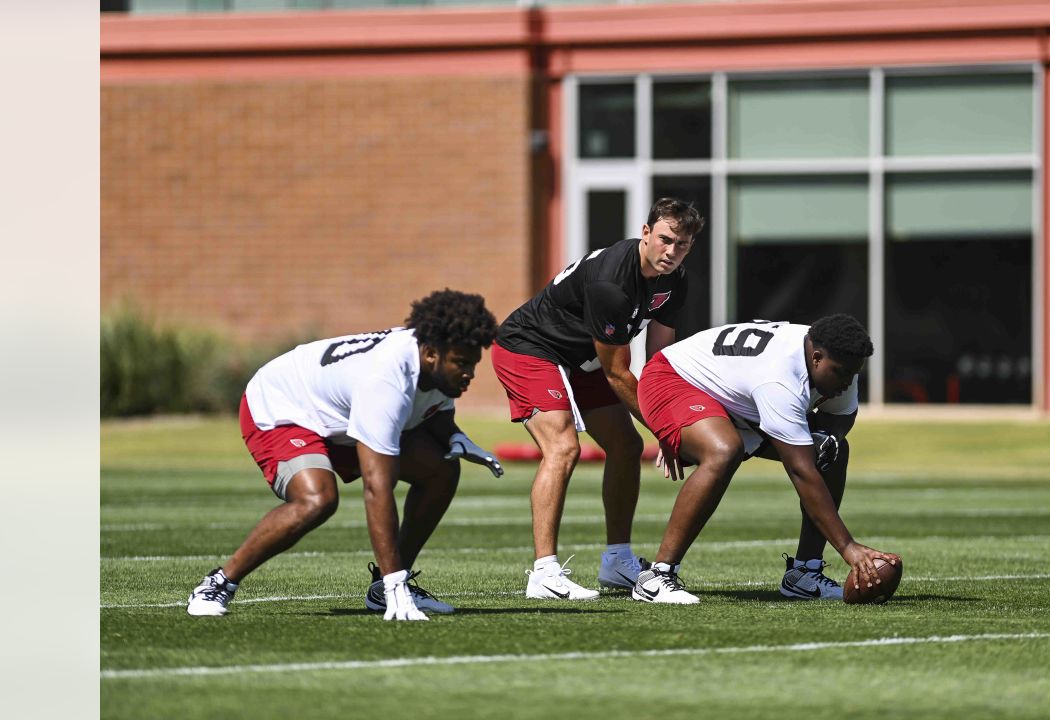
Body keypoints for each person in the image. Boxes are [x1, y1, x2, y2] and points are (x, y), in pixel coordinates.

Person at [186, 290, 503, 621]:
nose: (470, 374)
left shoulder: (433, 360)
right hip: (286, 406)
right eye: (462, 364)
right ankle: (220, 582)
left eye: (473, 363)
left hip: (340, 416)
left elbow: (436, 412)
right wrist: (399, 588)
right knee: (317, 499)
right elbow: (377, 487)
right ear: (431, 354)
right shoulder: (387, 379)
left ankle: (384, 588)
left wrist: (457, 438)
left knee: (441, 471)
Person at [491, 198, 704, 599]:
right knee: (563, 447)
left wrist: (672, 416)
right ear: (646, 233)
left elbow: (658, 361)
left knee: (626, 445)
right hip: (531, 348)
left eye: (683, 245)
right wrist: (667, 430)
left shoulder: (676, 280)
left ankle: (617, 561)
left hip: (584, 357)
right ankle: (543, 573)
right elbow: (618, 372)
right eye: (666, 239)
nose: (672, 252)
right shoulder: (612, 284)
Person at [631, 314, 901, 604]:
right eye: (841, 373)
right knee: (723, 450)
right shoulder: (780, 378)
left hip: (737, 398)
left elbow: (839, 419)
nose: (847, 383)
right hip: (673, 379)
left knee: (833, 452)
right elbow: (801, 471)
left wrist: (828, 441)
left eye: (853, 374)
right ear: (817, 358)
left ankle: (804, 573)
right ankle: (656, 576)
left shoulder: (835, 358)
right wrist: (849, 548)